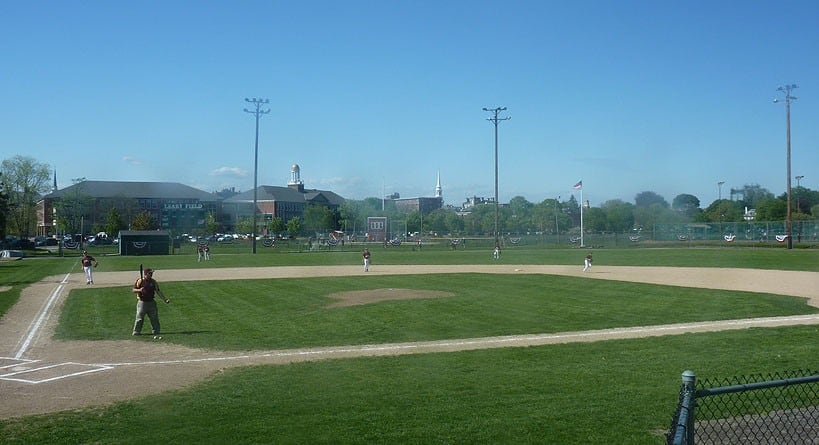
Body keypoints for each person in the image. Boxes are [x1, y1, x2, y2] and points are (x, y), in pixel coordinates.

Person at [132, 268, 170, 336]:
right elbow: (133, 290)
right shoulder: (140, 281)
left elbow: (158, 291)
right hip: (142, 303)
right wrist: (140, 290)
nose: (151, 274)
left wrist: (165, 299)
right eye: (150, 273)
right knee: (139, 318)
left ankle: (156, 331)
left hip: (152, 302)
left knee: (154, 318)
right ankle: (136, 331)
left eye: (152, 273)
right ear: (146, 274)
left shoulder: (153, 282)